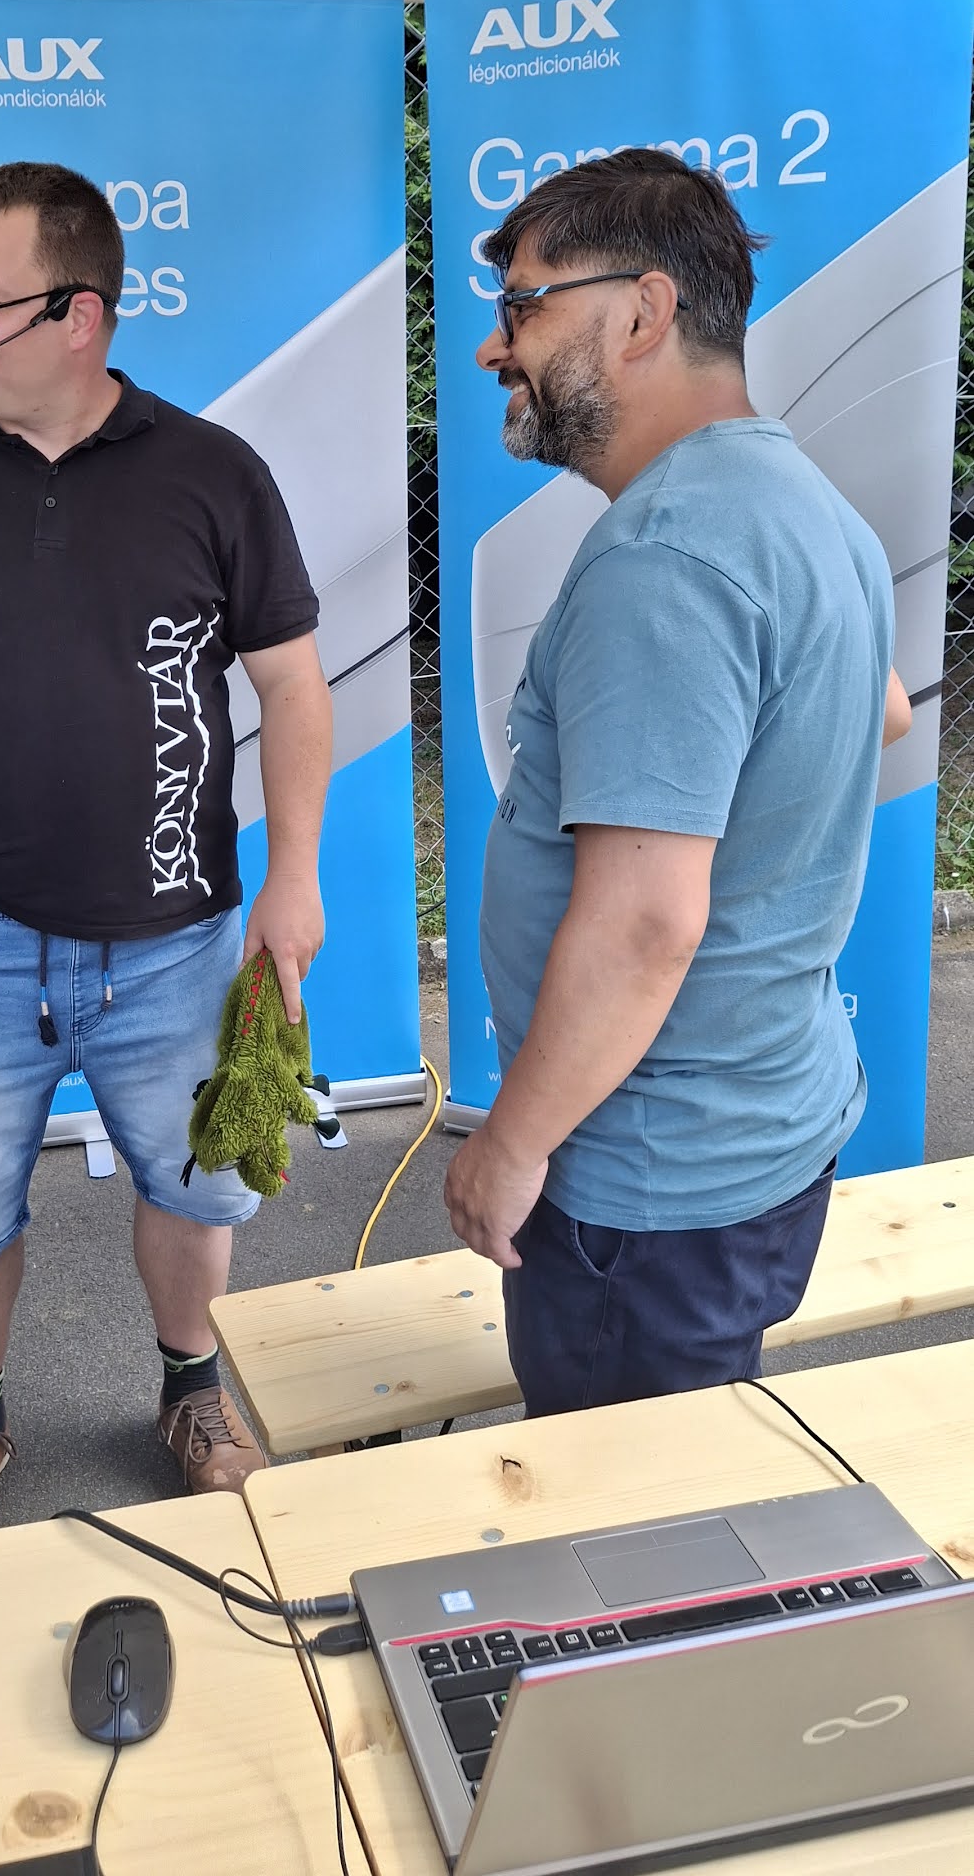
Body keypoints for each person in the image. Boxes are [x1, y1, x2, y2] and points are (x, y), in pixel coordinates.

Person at [0, 160, 332, 1534]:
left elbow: (291, 685)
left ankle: (191, 1387)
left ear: (79, 314)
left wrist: (296, 877)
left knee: (199, 1183)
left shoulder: (213, 474)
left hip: (178, 939)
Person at [444, 147, 912, 1416]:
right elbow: (876, 709)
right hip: (754, 1128)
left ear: (642, 311)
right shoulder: (796, 499)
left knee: (632, 1521)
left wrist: (509, 1143)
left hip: (647, 1189)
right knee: (691, 1465)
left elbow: (646, 921)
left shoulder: (663, 555)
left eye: (522, 306)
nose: (493, 347)